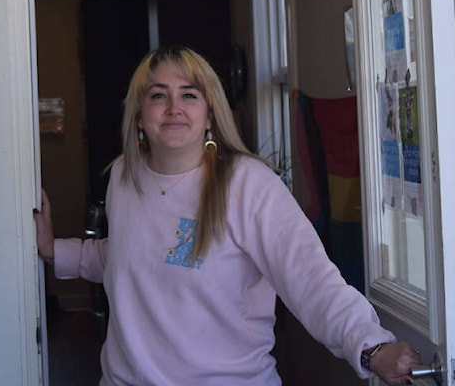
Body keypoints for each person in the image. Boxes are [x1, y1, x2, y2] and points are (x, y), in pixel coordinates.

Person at [34, 46, 421, 385]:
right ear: (138, 115)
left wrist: (372, 347)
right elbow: (127, 256)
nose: (174, 108)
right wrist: (55, 251)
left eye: (189, 95)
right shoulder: (123, 176)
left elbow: (310, 278)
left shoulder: (248, 185)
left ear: (209, 116)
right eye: (158, 95)